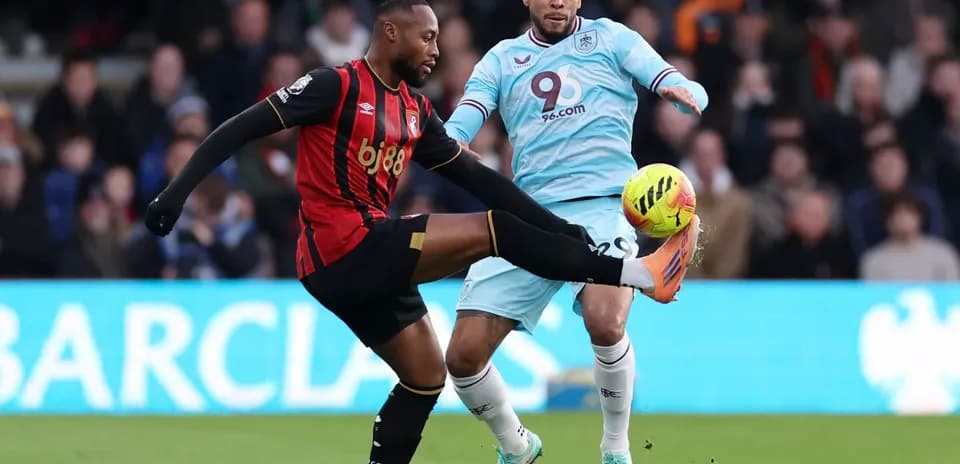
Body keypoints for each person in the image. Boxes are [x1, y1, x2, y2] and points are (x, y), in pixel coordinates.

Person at [143, 1, 700, 463]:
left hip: (362, 266)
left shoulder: (413, 112)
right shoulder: (333, 86)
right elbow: (238, 127)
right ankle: (637, 272)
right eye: (427, 37)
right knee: (496, 232)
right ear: (390, 32)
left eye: (438, 39)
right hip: (345, 246)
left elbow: (481, 178)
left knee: (428, 376)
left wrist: (561, 233)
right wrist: (173, 195)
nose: (437, 51)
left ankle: (523, 449)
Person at [442, 0, 708, 463]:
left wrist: (685, 93)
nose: (558, 2)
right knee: (462, 357)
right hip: (527, 216)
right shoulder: (502, 58)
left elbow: (671, 78)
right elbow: (464, 117)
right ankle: (516, 446)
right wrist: (450, 141)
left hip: (606, 207)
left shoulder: (612, 38)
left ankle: (615, 449)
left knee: (605, 320)